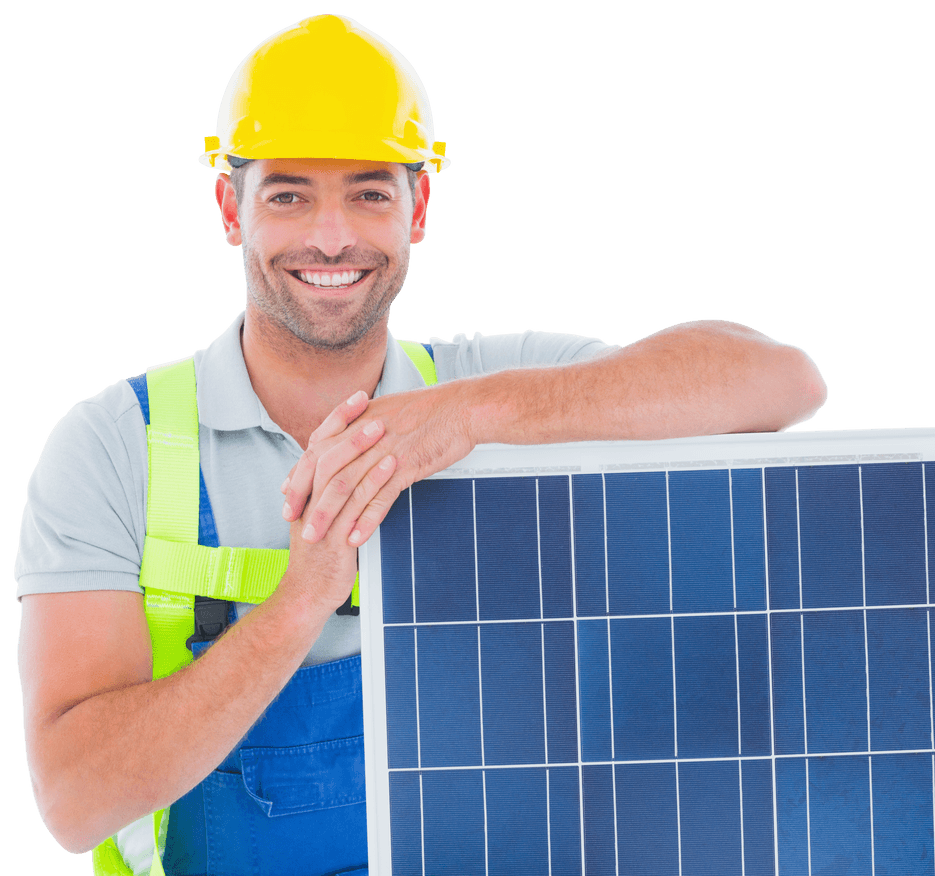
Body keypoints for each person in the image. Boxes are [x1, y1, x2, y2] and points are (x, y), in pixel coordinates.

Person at [14, 13, 827, 876]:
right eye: (289, 193)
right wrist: (302, 602)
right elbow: (76, 803)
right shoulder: (113, 448)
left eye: (370, 192)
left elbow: (778, 383)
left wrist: (468, 417)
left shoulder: (494, 387)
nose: (332, 238)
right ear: (231, 209)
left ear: (419, 208)